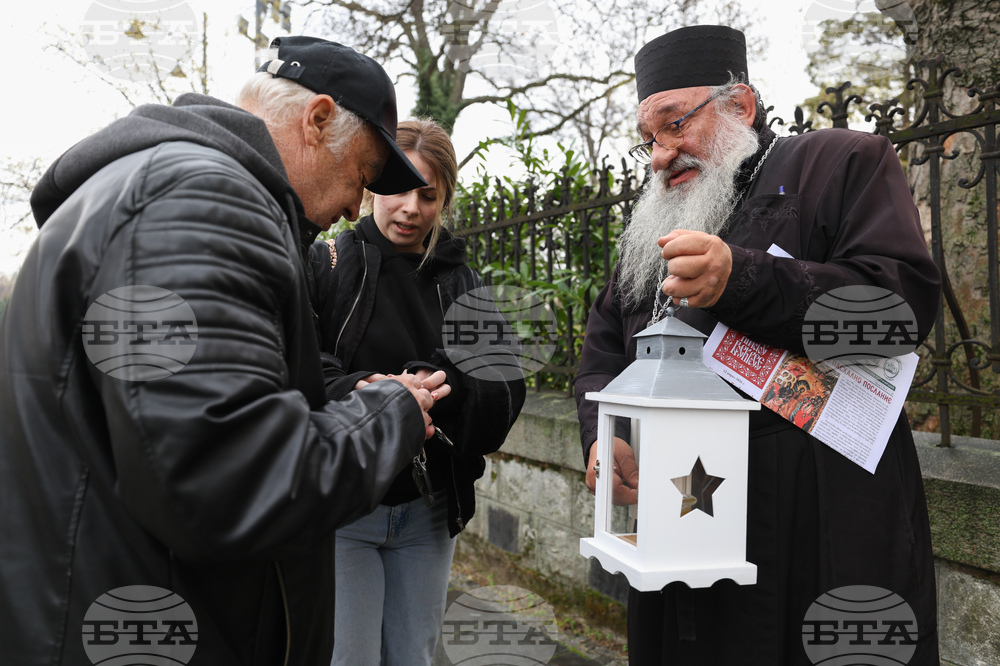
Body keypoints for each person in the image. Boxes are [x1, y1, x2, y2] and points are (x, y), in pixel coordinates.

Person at [0, 36, 449, 665]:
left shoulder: (155, 189)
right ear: (317, 120)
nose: (356, 206)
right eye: (364, 176)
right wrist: (391, 413)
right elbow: (230, 479)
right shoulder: (203, 201)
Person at [574, 25, 941, 665]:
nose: (661, 155)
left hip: (817, 519)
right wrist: (606, 437)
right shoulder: (659, 217)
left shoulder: (840, 164)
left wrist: (739, 279)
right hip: (683, 523)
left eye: (675, 124)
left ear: (739, 106)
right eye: (648, 140)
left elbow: (896, 310)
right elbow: (606, 344)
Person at [307, 119, 526, 666]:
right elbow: (298, 364)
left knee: (413, 657)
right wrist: (367, 389)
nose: (410, 208)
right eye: (396, 188)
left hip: (428, 511)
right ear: (371, 187)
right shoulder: (326, 264)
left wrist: (427, 387)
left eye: (428, 194)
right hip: (345, 507)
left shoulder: (463, 283)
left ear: (446, 197)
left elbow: (503, 388)